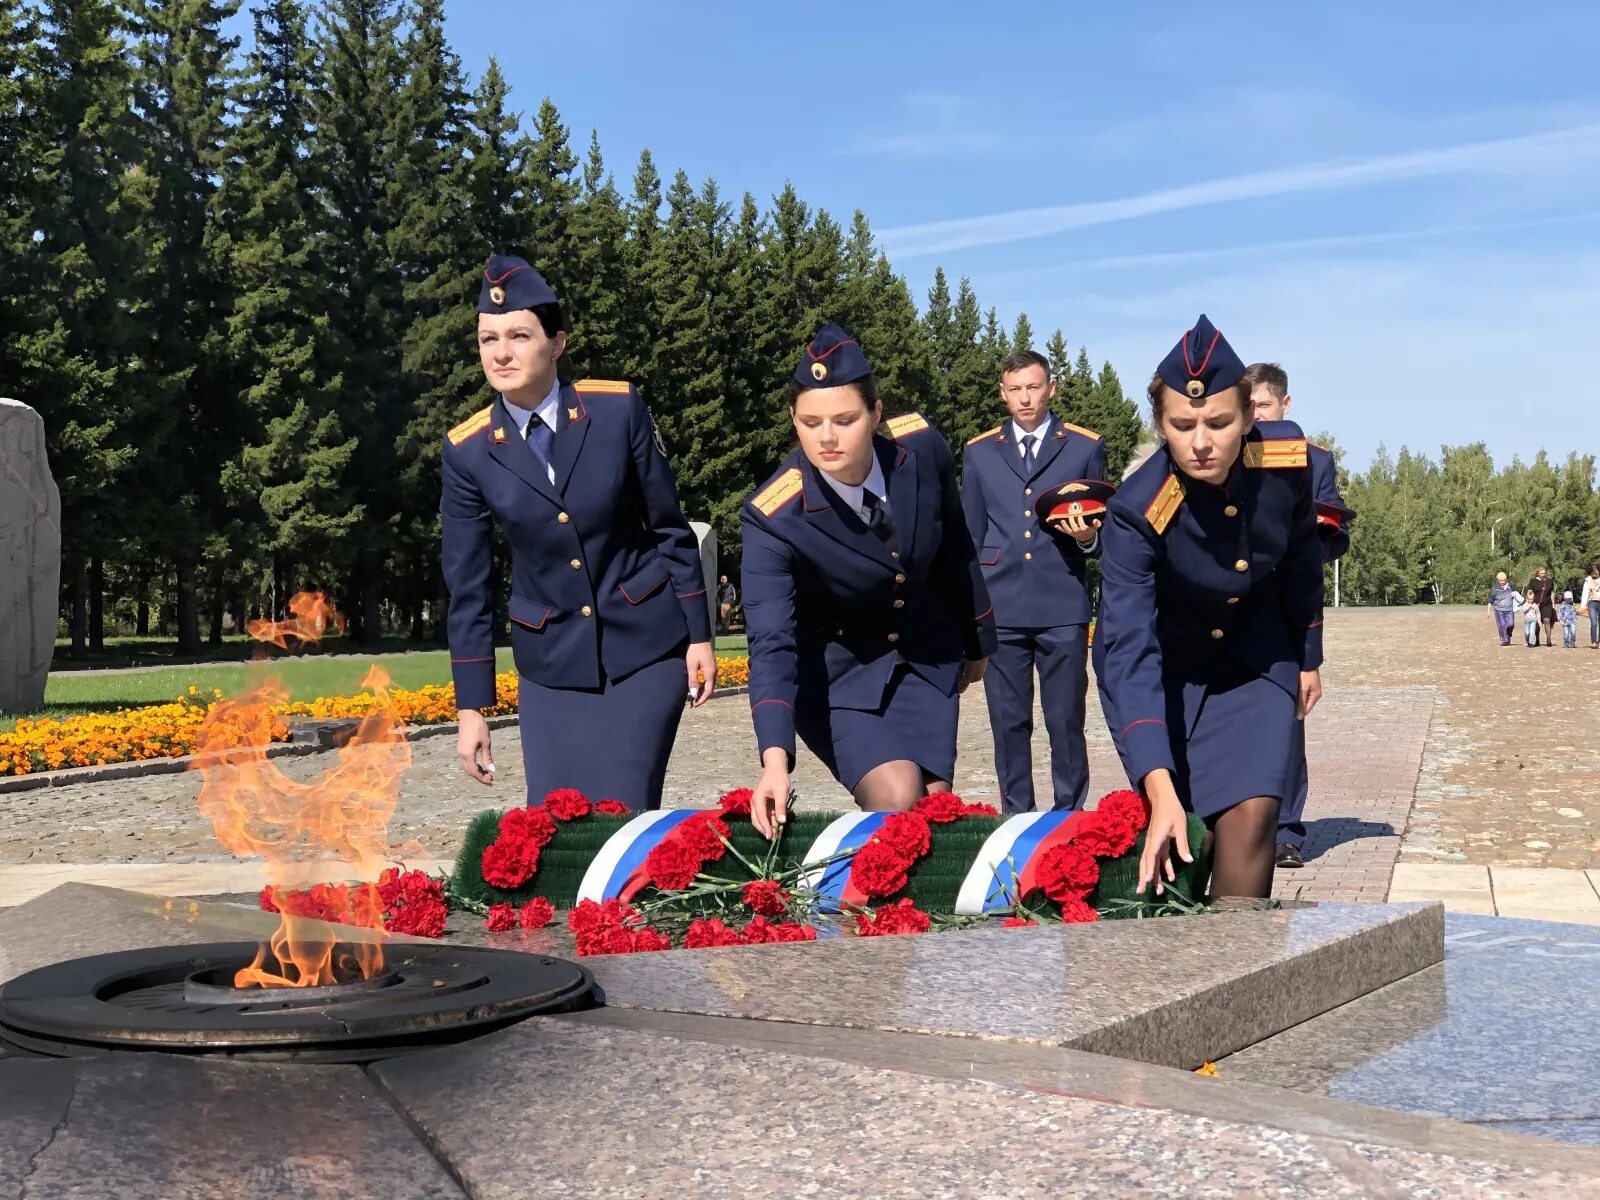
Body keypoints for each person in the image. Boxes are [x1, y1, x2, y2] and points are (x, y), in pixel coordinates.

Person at [441, 254, 715, 810]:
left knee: (621, 810)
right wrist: (472, 708)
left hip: (645, 644)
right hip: (551, 661)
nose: (501, 352)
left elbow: (669, 528)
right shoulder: (468, 451)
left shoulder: (616, 411)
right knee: (555, 820)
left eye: (519, 335)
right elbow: (469, 586)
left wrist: (701, 635)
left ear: (557, 343)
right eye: (488, 338)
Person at [1094, 315, 1323, 901]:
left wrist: (1307, 655)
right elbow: (1128, 650)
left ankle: (1246, 972)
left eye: (1219, 422)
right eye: (1182, 424)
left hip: (1256, 658)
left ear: (1249, 416)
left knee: (1251, 818)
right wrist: (1158, 786)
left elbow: (1300, 555)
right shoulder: (1135, 510)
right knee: (1187, 840)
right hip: (1168, 674)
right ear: (1160, 425)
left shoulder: (1288, 464)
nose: (1201, 442)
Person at [741, 323, 997, 838]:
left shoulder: (923, 450)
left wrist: (977, 642)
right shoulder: (774, 514)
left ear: (877, 414)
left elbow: (955, 549)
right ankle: (863, 909)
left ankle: (906, 919)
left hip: (925, 657)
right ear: (793, 420)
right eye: (810, 422)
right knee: (899, 798)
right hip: (837, 674)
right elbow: (771, 642)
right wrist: (774, 762)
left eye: (845, 419)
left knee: (936, 811)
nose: (827, 437)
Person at [960, 349, 1106, 814]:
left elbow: (1102, 534)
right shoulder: (980, 452)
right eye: (1015, 389)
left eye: (1034, 387)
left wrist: (1087, 540)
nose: (1025, 398)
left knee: (1065, 719)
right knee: (1008, 722)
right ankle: (1016, 817)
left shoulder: (1084, 446)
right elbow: (971, 534)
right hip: (1000, 605)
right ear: (1003, 393)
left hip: (1061, 600)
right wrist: (970, 611)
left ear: (1051, 389)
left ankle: (1069, 815)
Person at [1241, 362, 1351, 870]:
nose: (1256, 416)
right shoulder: (1227, 451)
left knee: (1286, 723)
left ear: (1286, 406)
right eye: (1249, 407)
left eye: (1263, 406)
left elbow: (1334, 535)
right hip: (1230, 603)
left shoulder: (1315, 460)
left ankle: (1285, 830)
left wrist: (1319, 537)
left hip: (1285, 606)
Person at [1486, 572, 1520, 646]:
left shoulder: (1511, 586)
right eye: (1500, 580)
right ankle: (1504, 640)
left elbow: (1517, 595)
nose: (1502, 582)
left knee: (1510, 624)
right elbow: (1490, 600)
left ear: (1506, 579)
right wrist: (1488, 611)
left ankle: (1508, 635)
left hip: (1510, 609)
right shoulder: (1495, 588)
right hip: (1499, 610)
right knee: (1502, 625)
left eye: (1503, 580)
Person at [1530, 567, 1557, 647]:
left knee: (1547, 620)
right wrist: (1529, 603)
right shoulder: (1533, 581)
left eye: (1544, 573)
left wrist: (1553, 605)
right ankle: (1536, 640)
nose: (1542, 575)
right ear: (1537, 573)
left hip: (1547, 604)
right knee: (1536, 622)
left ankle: (1548, 639)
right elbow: (1530, 592)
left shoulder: (1549, 581)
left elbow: (1552, 593)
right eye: (1541, 573)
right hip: (1536, 604)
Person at [1581, 565, 1600, 649]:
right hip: (1592, 603)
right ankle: (1593, 642)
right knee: (1594, 623)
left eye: (1595, 572)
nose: (1594, 574)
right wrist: (1583, 606)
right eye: (1592, 573)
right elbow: (1585, 593)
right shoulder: (1587, 580)